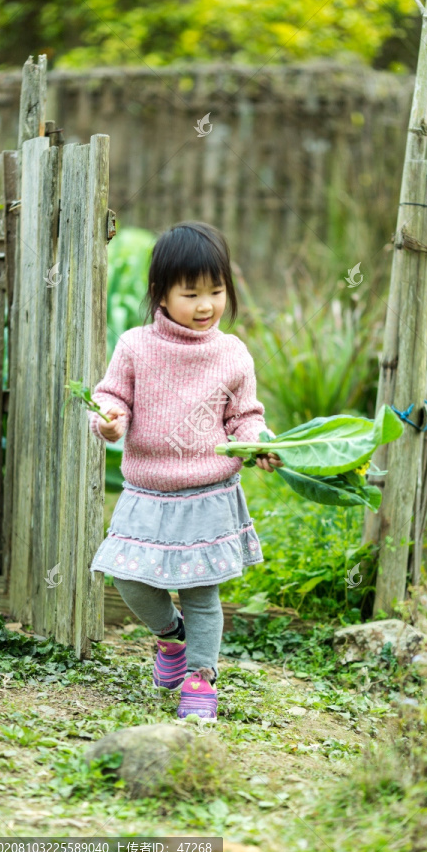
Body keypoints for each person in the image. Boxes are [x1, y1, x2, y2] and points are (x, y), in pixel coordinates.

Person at [87, 221, 283, 723]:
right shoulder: (135, 346)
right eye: (190, 292)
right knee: (128, 578)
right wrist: (109, 422)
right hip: (147, 489)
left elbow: (247, 416)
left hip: (208, 491)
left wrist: (258, 442)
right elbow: (113, 397)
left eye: (216, 291)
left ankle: (200, 676)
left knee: (201, 592)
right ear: (162, 293)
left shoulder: (232, 353)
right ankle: (171, 640)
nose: (205, 305)